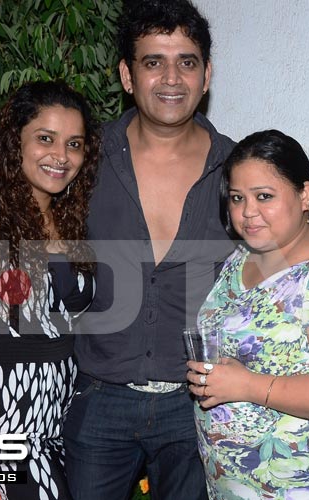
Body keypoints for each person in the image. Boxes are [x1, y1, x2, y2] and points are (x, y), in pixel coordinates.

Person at [63, 1, 236, 498]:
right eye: (153, 61)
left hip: (199, 403)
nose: (171, 78)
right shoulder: (83, 159)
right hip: (98, 397)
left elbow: (295, 246)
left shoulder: (239, 168)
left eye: (187, 61)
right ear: (126, 74)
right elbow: (19, 215)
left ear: (206, 76)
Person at [184, 129, 309, 498]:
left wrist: (245, 385)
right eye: (237, 198)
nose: (247, 212)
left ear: (305, 195)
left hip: (301, 486)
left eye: (264, 197)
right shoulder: (241, 259)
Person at [0, 80, 99, 500]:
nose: (61, 156)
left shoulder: (75, 221)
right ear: (13, 142)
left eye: (74, 144)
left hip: (64, 423)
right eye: (45, 139)